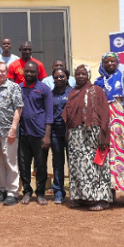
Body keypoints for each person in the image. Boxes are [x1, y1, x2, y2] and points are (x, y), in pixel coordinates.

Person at [95, 52, 124, 209]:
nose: (110, 64)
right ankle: (111, 192)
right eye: (107, 61)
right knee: (108, 160)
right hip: (105, 124)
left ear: (117, 62)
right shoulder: (99, 82)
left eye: (112, 61)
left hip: (122, 124)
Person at [63, 64, 111, 211]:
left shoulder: (97, 91)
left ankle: (101, 199)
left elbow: (105, 114)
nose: (80, 76)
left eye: (83, 74)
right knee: (79, 166)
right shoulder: (72, 93)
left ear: (88, 75)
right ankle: (82, 197)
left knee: (97, 166)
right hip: (76, 135)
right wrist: (67, 133)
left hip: (94, 133)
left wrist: (103, 135)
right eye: (78, 74)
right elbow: (68, 116)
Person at [0, 62, 23, 206]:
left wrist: (13, 128)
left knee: (11, 162)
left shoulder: (13, 87)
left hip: (9, 132)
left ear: (6, 72)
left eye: (2, 71)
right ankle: (2, 190)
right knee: (0, 163)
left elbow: (18, 109)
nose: (0, 73)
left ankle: (12, 192)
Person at [18, 61, 53, 205]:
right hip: (23, 133)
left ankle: (40, 193)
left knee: (41, 165)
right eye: (27, 71)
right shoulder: (18, 88)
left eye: (32, 72)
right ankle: (27, 192)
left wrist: (47, 136)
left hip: (40, 134)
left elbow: (49, 114)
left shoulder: (44, 89)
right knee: (24, 165)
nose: (29, 74)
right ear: (23, 72)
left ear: (37, 73)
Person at [50, 67, 73, 204]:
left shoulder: (72, 92)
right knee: (58, 162)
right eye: (56, 77)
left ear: (67, 77)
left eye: (62, 76)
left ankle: (75, 191)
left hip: (70, 132)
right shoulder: (50, 94)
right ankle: (58, 191)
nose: (59, 79)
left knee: (72, 162)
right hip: (54, 132)